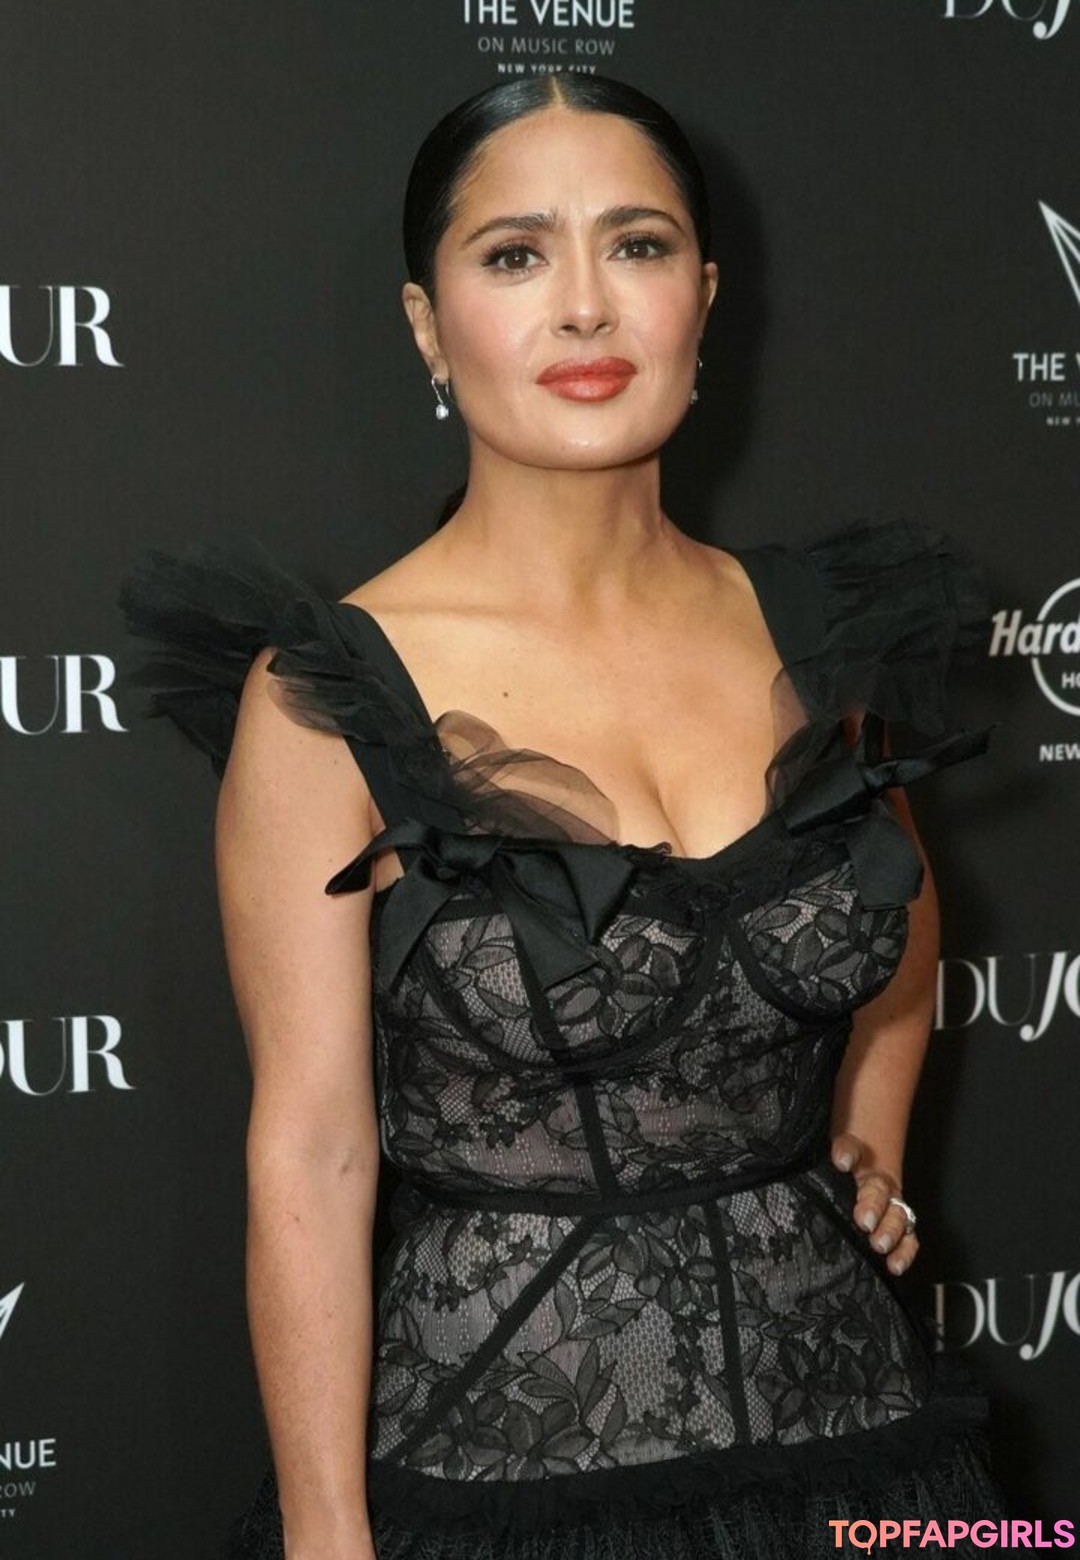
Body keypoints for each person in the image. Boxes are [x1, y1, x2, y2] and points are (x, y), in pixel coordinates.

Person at [120, 73, 1011, 1560]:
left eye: (638, 245)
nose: (586, 305)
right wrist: (328, 1535)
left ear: (704, 298)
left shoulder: (821, 633)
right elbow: (315, 1157)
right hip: (502, 1482)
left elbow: (903, 954)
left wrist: (869, 1138)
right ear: (428, 325)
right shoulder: (333, 695)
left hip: (862, 1461)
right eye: (517, 253)